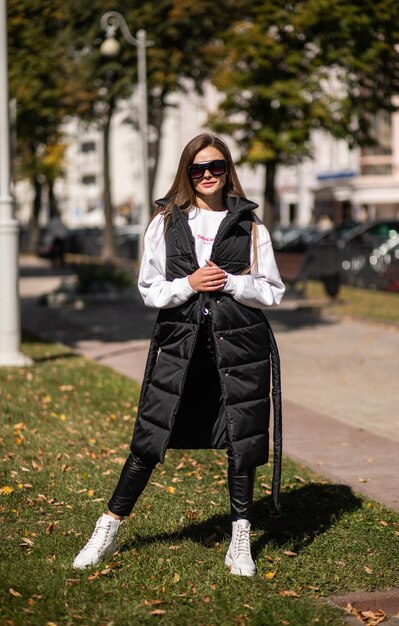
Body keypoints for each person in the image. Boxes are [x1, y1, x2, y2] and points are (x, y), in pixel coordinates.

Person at [73, 133, 285, 577]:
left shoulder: (251, 225)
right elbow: (149, 290)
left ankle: (240, 537)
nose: (207, 175)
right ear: (186, 172)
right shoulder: (166, 222)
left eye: (216, 167)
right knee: (149, 438)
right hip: (179, 344)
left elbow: (272, 290)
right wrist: (189, 285)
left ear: (228, 170)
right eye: (198, 168)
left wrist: (230, 282)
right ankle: (108, 525)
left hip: (239, 346)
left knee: (240, 440)